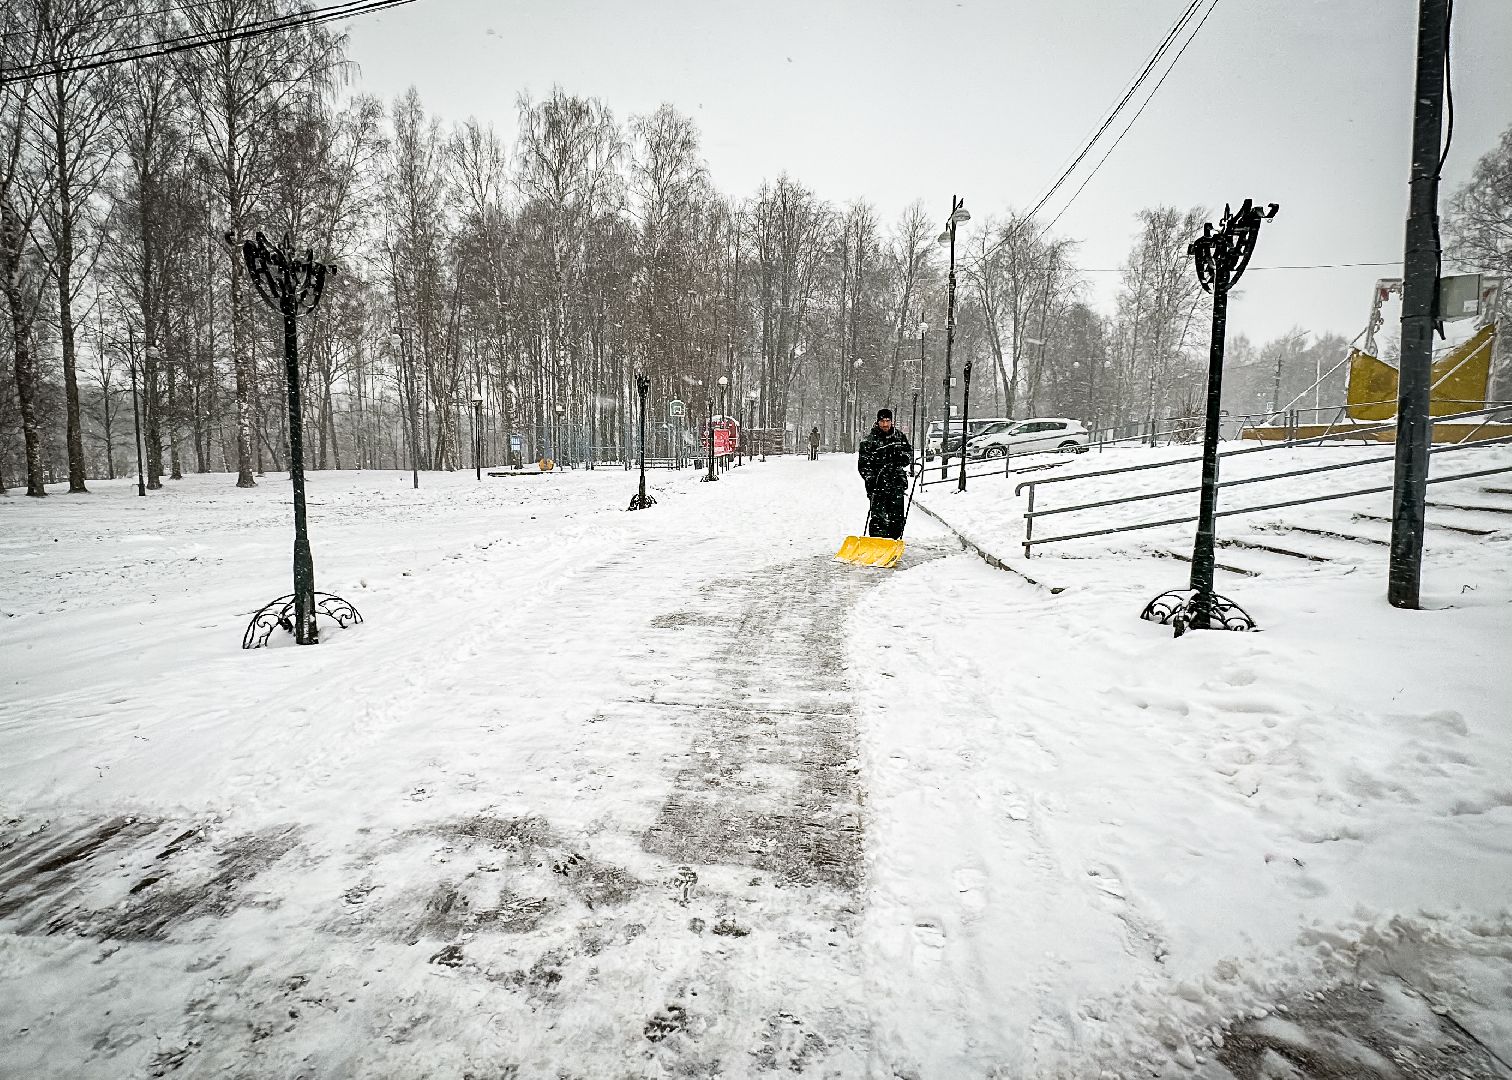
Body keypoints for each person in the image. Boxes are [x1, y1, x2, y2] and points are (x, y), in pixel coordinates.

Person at [857, 408, 912, 539]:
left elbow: (908, 453)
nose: (885, 424)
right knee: (878, 518)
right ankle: (877, 543)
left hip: (896, 483)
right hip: (878, 485)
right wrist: (870, 478)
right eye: (882, 421)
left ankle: (893, 541)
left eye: (888, 421)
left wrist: (903, 458)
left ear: (892, 422)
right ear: (878, 422)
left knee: (897, 518)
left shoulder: (899, 437)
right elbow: (863, 465)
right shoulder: (869, 441)